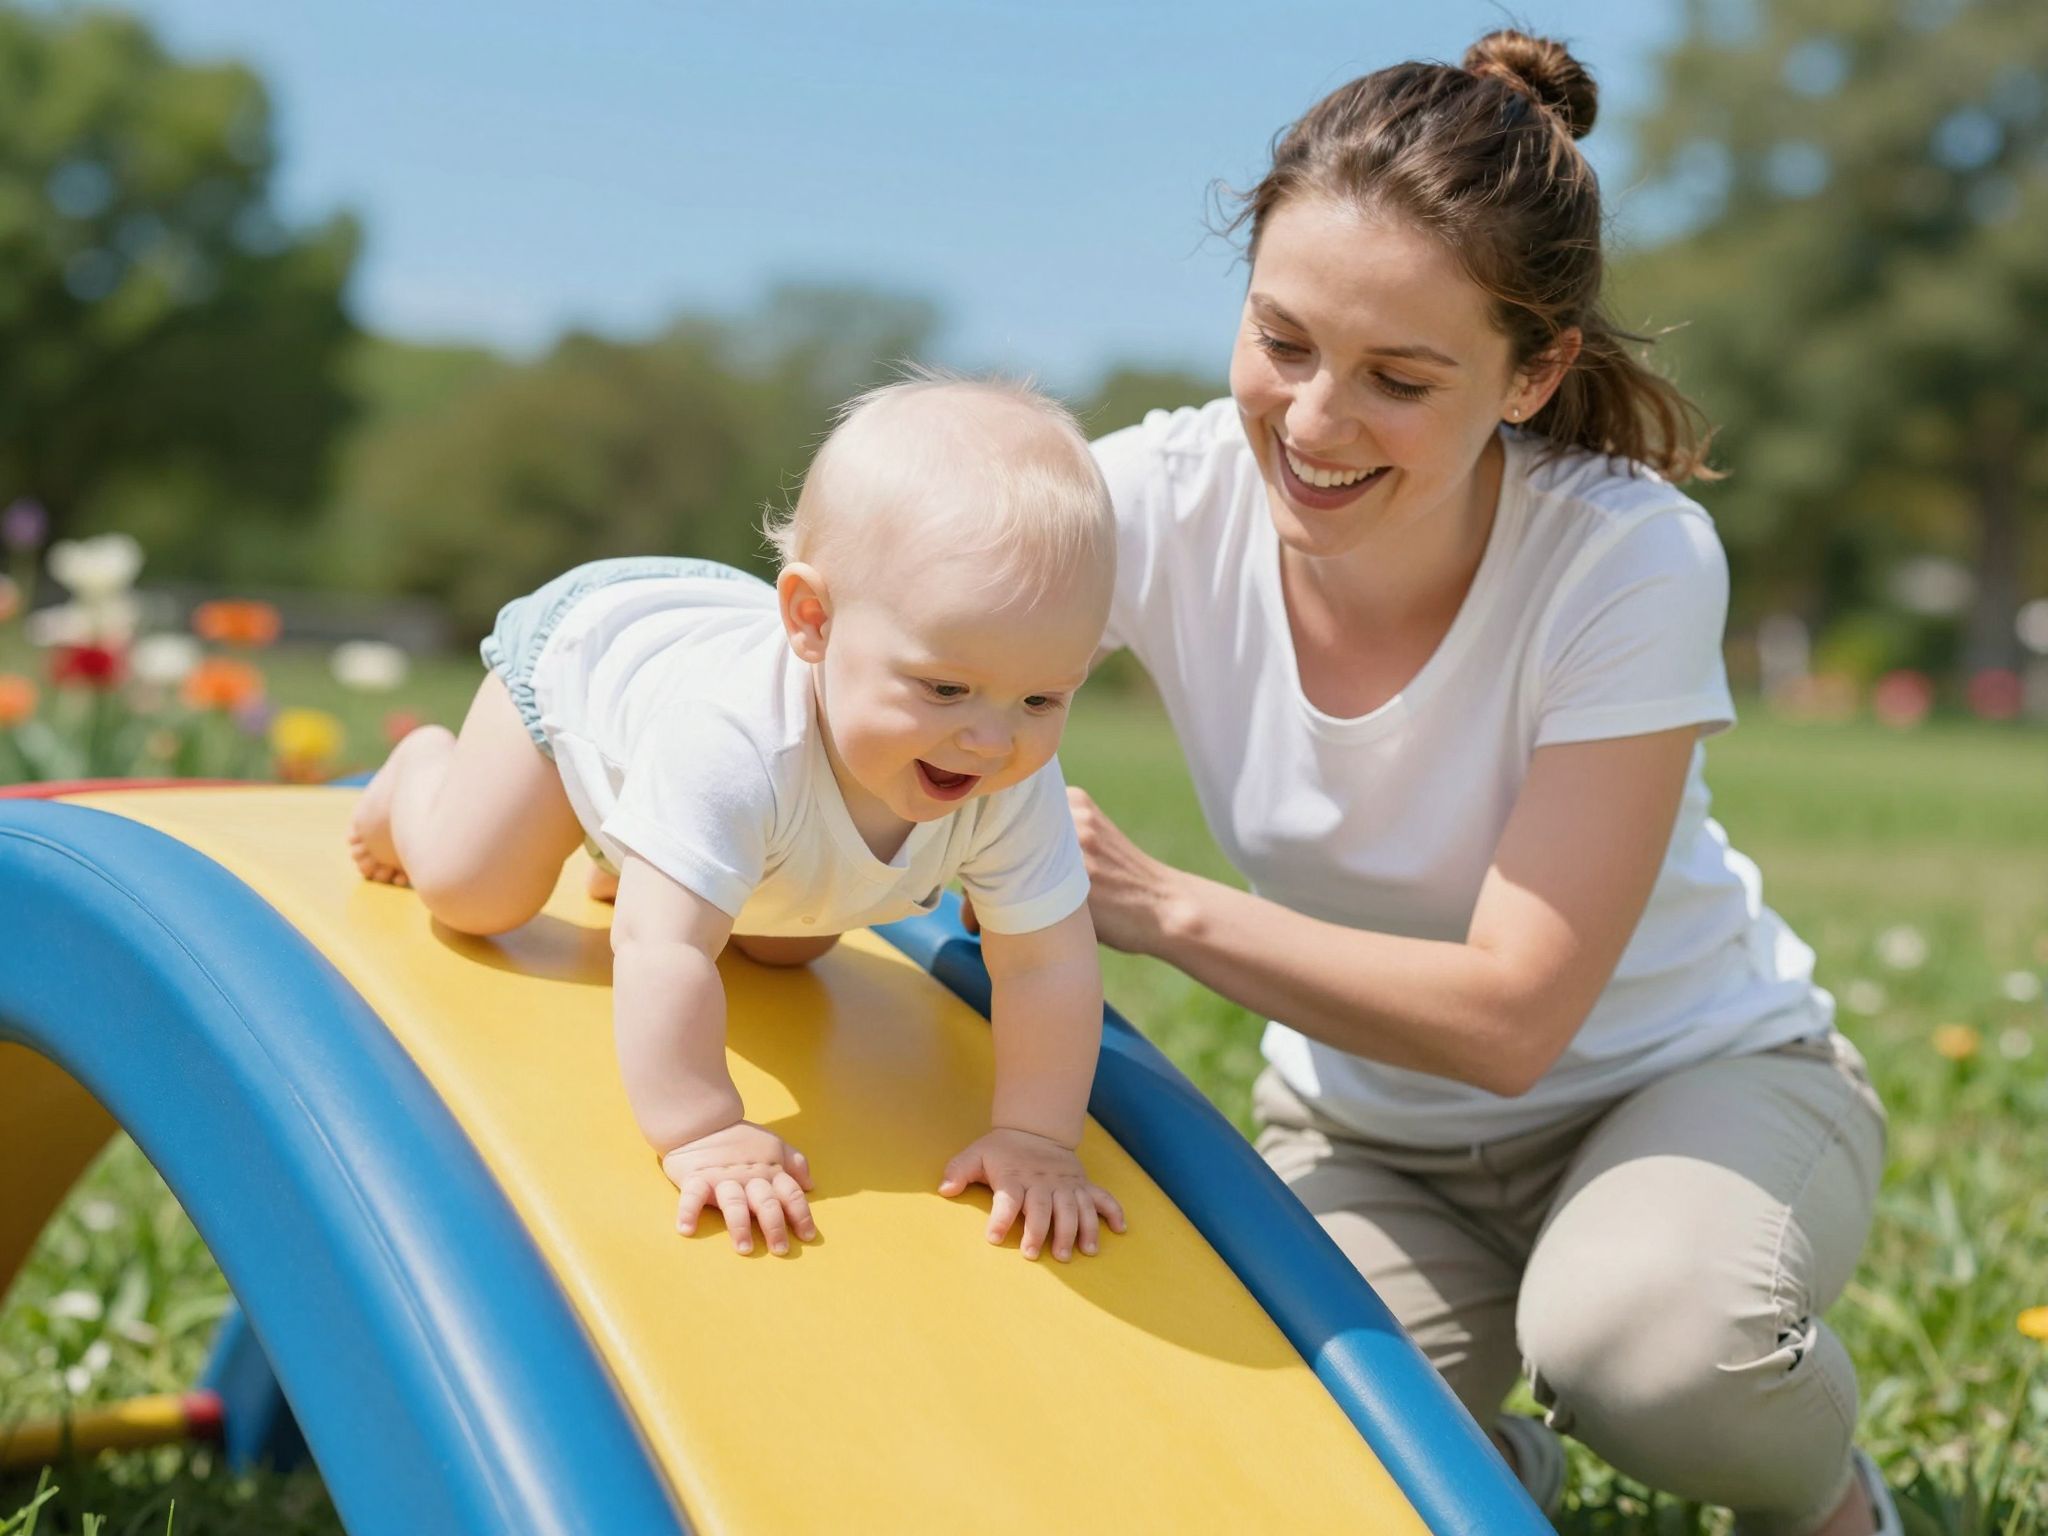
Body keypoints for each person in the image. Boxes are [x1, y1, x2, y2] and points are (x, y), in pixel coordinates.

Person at [1067, 30, 1894, 1536]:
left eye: (1398, 378)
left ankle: (1828, 1503)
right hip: (1372, 1141)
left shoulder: (1626, 555)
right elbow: (879, 612)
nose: (1313, 423)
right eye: (1281, 341)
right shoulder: (1162, 499)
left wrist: (1161, 909)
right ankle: (1494, 1479)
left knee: (1653, 1350)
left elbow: (1513, 1019)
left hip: (1684, 1086)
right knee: (1258, 1460)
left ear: (1534, 373)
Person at [347, 375, 1128, 1265]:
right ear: (814, 622)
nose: (992, 740)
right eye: (945, 688)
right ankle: (418, 778)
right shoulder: (732, 742)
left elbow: (1047, 964)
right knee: (474, 893)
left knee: (789, 946)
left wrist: (1036, 1137)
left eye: (1043, 698)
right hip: (602, 658)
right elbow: (661, 950)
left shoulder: (1011, 771)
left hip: (726, 732)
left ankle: (656, 857)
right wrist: (703, 1127)